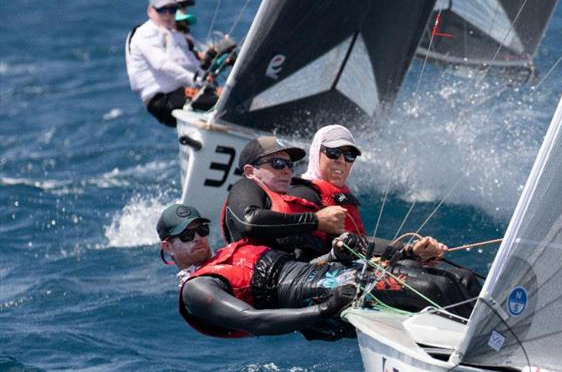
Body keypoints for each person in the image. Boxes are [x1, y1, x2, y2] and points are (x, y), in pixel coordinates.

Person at [159, 204, 479, 339]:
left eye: (201, 229)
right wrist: (325, 308)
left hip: (330, 274)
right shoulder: (196, 289)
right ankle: (494, 347)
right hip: (321, 295)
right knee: (435, 291)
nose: (198, 239)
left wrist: (330, 254)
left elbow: (297, 268)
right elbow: (251, 320)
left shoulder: (228, 253)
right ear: (167, 249)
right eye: (186, 236)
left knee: (458, 278)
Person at [222, 136, 352, 259]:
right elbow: (249, 220)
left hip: (297, 272)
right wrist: (315, 220)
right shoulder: (245, 185)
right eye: (277, 163)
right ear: (250, 171)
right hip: (256, 272)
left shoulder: (291, 205)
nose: (287, 171)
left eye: (290, 165)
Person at [125, 0, 216, 127]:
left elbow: (191, 62)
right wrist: (196, 80)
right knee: (221, 102)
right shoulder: (144, 33)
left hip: (178, 93)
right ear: (150, 10)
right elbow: (162, 64)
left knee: (225, 98)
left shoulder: (170, 33)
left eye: (172, 10)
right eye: (162, 10)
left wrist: (206, 80)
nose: (167, 14)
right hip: (162, 101)